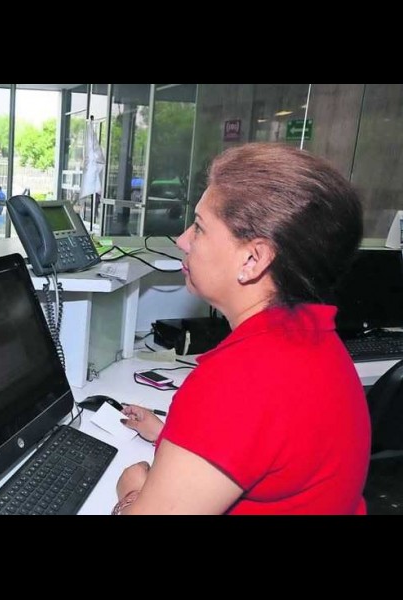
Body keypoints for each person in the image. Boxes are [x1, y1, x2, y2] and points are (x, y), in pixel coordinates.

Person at [113, 143, 370, 515]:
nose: (183, 240)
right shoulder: (315, 339)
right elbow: (262, 442)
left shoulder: (241, 379)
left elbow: (246, 409)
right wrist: (167, 435)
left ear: (253, 259)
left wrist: (131, 493)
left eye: (199, 227)